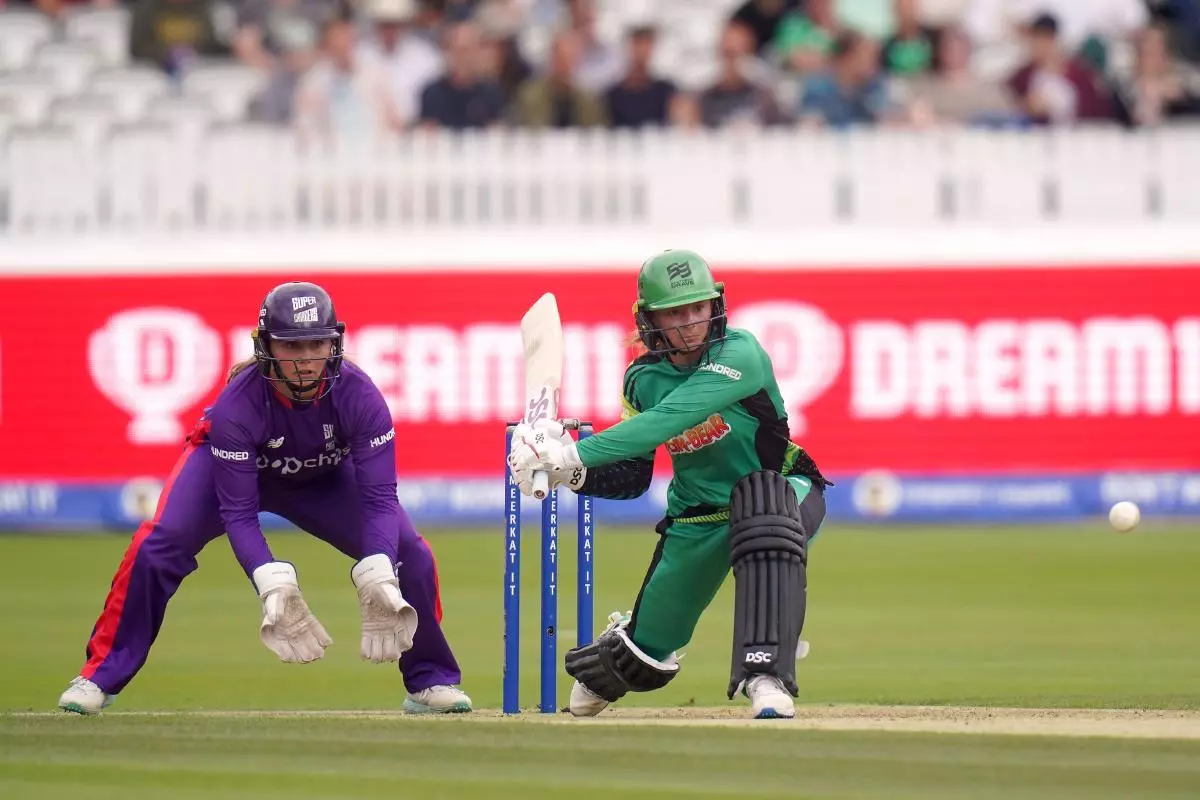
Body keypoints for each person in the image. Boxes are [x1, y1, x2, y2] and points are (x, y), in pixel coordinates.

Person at [59, 281, 471, 715]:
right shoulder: (238, 404)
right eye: (293, 346)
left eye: (317, 344)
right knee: (158, 546)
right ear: (265, 346)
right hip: (235, 473)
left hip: (322, 478)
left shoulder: (361, 395)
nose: (307, 360)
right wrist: (269, 579)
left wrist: (381, 573)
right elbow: (238, 512)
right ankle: (98, 677)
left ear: (335, 343)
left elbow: (381, 499)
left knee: (411, 554)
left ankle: (429, 681)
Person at [507, 250, 831, 720]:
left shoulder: (740, 353)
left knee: (761, 516)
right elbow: (635, 476)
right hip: (696, 517)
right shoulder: (642, 379)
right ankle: (626, 643)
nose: (691, 321)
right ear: (649, 318)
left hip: (782, 489)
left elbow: (667, 421)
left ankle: (766, 676)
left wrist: (571, 451)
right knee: (635, 662)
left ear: (714, 304)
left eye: (698, 307)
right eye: (676, 312)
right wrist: (569, 474)